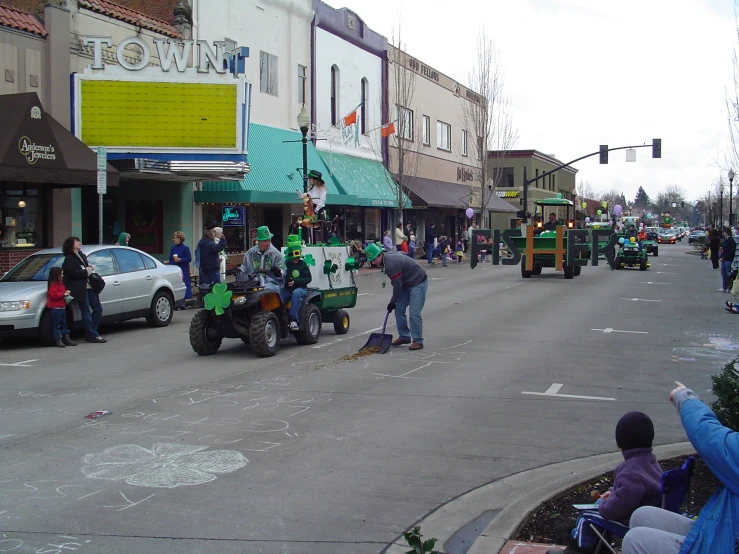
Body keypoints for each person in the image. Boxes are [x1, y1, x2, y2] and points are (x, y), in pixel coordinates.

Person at [621, 382, 739, 554]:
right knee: (642, 515)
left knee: (635, 541)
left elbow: (714, 440)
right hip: (725, 527)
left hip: (724, 544)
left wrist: (685, 398)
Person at [547, 412, 662, 554]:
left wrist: (606, 507)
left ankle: (579, 550)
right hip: (648, 513)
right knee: (599, 504)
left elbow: (620, 506)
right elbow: (635, 491)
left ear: (621, 442)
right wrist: (613, 493)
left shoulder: (631, 472)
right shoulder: (649, 460)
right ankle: (599, 547)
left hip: (633, 520)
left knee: (587, 517)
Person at [366, 242, 428, 350]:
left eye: (374, 259)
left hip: (418, 282)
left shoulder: (391, 265)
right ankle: (404, 336)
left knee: (414, 314)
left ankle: (418, 341)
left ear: (381, 254)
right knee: (399, 309)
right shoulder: (386, 259)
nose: (373, 262)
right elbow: (402, 253)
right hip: (406, 282)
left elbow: (397, 287)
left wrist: (392, 302)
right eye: (371, 260)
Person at [62, 236, 106, 344]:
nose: (79, 243)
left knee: (98, 309)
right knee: (85, 311)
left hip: (89, 286)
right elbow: (73, 273)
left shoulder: (82, 256)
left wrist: (88, 268)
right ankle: (93, 335)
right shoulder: (69, 259)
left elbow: (85, 268)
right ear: (71, 244)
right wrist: (86, 271)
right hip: (80, 288)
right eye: (77, 241)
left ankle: (90, 333)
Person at [237, 226, 284, 293]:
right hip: (252, 284)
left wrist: (279, 272)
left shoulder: (276, 254)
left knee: (265, 292)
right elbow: (245, 266)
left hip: (272, 284)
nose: (268, 243)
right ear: (258, 241)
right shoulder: (250, 253)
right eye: (265, 241)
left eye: (269, 240)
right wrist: (239, 270)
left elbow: (283, 269)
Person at [280, 235, 313, 331]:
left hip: (300, 288)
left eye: (297, 257)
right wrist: (287, 282)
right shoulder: (286, 264)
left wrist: (296, 282)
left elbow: (308, 278)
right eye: (294, 257)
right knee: (279, 297)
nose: (296, 259)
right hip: (288, 288)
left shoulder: (303, 264)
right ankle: (280, 318)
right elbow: (282, 277)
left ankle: (293, 319)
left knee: (296, 293)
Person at [47, 267, 76, 348]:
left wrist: (65, 293)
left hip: (62, 307)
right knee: (57, 325)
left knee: (64, 324)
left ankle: (66, 338)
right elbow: (53, 295)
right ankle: (58, 339)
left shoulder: (60, 283)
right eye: (61, 274)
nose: (62, 275)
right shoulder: (53, 284)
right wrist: (63, 294)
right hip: (55, 308)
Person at [169, 231, 192, 310]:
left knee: (183, 285)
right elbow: (170, 258)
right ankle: (176, 303)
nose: (174, 239)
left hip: (183, 269)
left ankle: (182, 303)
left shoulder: (185, 248)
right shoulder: (173, 247)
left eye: (175, 238)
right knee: (175, 285)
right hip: (175, 268)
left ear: (179, 239)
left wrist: (180, 259)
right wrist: (170, 262)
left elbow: (189, 258)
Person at [720, 227, 736, 293]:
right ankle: (724, 287)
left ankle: (729, 287)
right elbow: (724, 250)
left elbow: (731, 252)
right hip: (724, 259)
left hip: (728, 259)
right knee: (723, 273)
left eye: (724, 232)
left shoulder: (731, 241)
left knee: (728, 273)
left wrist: (724, 257)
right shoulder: (725, 240)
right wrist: (721, 256)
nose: (724, 233)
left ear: (727, 233)